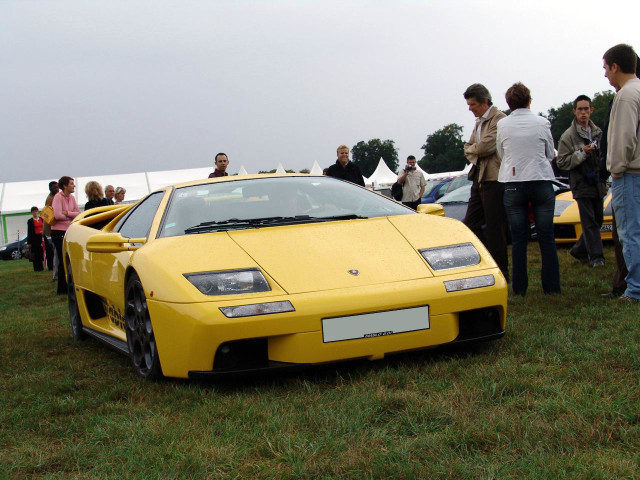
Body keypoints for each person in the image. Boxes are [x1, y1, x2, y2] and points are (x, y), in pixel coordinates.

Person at [497, 82, 560, 296]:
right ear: (529, 100)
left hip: (513, 183)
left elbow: (501, 154)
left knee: (518, 239)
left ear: (509, 103)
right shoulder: (543, 122)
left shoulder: (503, 125)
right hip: (541, 181)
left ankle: (520, 288)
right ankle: (552, 288)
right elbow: (550, 153)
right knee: (546, 236)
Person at [599, 56, 640, 299]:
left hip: (629, 174)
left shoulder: (625, 95)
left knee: (629, 233)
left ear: (616, 66)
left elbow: (624, 138)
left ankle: (635, 289)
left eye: (605, 68)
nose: (605, 74)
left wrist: (616, 168)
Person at [462, 83, 509, 281]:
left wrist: (474, 150)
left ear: (485, 102)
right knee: (469, 225)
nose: (469, 108)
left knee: (494, 227)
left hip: (494, 179)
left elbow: (484, 148)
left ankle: (502, 272)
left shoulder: (500, 120)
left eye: (472, 104)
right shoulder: (479, 122)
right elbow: (469, 147)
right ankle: (487, 259)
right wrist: (475, 149)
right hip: (479, 179)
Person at [556, 95, 606, 267]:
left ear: (591, 110)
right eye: (580, 109)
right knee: (589, 221)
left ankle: (578, 250)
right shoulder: (568, 136)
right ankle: (597, 257)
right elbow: (561, 162)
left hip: (597, 182)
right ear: (574, 111)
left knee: (598, 219)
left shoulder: (598, 132)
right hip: (580, 182)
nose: (583, 112)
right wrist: (582, 153)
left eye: (586, 109)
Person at [51, 176, 80, 294]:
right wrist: (70, 216)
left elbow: (78, 213)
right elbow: (57, 215)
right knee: (62, 259)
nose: (74, 186)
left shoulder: (72, 198)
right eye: (71, 184)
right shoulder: (58, 197)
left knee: (68, 259)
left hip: (68, 230)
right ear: (65, 186)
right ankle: (62, 288)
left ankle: (68, 286)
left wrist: (67, 213)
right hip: (58, 232)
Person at [43, 180, 58, 274]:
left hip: (51, 227)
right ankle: (55, 272)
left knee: (55, 251)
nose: (57, 188)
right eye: (55, 187)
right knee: (55, 251)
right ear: (50, 188)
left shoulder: (54, 197)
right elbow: (50, 214)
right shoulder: (51, 199)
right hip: (51, 228)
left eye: (57, 187)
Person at [27, 206, 45, 272]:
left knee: (41, 253)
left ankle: (43, 267)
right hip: (34, 239)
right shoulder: (30, 221)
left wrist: (43, 232)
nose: (35, 213)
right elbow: (29, 232)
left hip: (42, 237)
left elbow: (44, 227)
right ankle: (36, 268)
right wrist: (29, 242)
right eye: (34, 212)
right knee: (35, 253)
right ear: (32, 213)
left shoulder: (41, 219)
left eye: (36, 211)